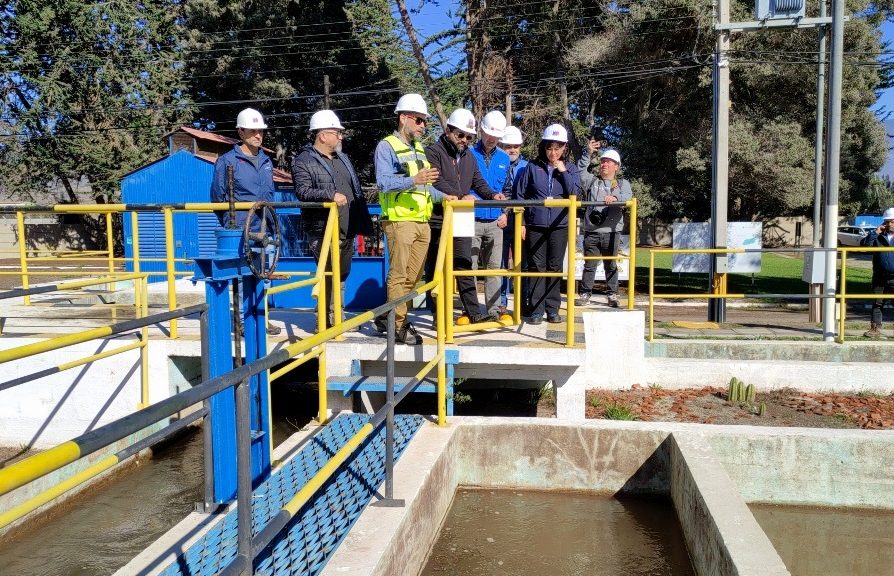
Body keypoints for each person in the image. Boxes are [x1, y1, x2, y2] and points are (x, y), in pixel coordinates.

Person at [373, 93, 445, 345]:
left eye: (424, 121)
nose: (422, 125)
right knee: (399, 275)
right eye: (419, 120)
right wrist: (413, 180)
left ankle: (387, 315)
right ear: (403, 118)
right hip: (399, 221)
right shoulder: (387, 146)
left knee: (413, 278)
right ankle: (399, 325)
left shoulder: (418, 149)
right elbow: (383, 183)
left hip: (421, 222)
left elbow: (426, 189)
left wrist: (449, 198)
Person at [292, 109, 373, 328]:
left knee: (341, 274)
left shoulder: (342, 158)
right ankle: (324, 321)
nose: (340, 136)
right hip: (323, 228)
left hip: (346, 227)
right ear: (322, 135)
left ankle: (337, 317)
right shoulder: (304, 160)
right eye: (336, 132)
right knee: (327, 273)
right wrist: (330, 195)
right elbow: (303, 192)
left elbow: (354, 187)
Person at [424, 108, 505, 324]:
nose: (465, 140)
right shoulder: (433, 151)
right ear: (448, 130)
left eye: (469, 137)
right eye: (460, 135)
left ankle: (474, 312)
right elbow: (435, 180)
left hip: (461, 216)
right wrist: (461, 195)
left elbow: (477, 181)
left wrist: (492, 195)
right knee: (437, 267)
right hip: (438, 218)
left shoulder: (468, 156)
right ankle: (438, 315)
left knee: (464, 263)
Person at [210, 107, 281, 335]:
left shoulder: (267, 161)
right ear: (240, 132)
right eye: (252, 131)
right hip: (240, 229)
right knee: (242, 275)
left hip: (264, 227)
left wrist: (270, 221)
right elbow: (217, 197)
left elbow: (269, 193)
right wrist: (230, 224)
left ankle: (261, 317)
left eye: (260, 131)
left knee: (264, 275)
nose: (258, 135)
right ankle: (240, 320)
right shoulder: (228, 161)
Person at [512, 123, 581, 325]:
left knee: (554, 266)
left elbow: (575, 193)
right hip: (535, 224)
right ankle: (535, 310)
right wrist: (522, 222)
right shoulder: (531, 167)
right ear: (543, 147)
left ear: (564, 148)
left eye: (557, 148)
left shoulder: (571, 168)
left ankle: (552, 309)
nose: (553, 152)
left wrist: (563, 171)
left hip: (560, 225)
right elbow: (520, 195)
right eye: (549, 148)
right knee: (536, 266)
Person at [575, 148, 633, 308]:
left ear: (617, 166)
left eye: (608, 161)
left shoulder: (622, 184)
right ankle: (585, 294)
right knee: (589, 265)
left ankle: (612, 295)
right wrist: (587, 153)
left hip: (612, 232)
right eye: (602, 161)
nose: (604, 164)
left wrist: (615, 198)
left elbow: (628, 198)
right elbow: (580, 171)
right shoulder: (592, 181)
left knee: (611, 264)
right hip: (591, 232)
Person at [469, 110, 511, 319]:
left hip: (496, 221)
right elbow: (461, 184)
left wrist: (506, 212)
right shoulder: (468, 155)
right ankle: (472, 310)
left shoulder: (504, 158)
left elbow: (508, 190)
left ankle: (493, 310)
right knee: (469, 267)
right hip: (471, 219)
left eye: (495, 136)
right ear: (481, 131)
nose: (491, 139)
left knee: (494, 268)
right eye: (487, 134)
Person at [498, 125, 528, 316]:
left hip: (520, 221)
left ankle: (522, 300)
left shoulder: (527, 167)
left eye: (516, 146)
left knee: (522, 263)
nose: (513, 149)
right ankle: (501, 303)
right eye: (508, 145)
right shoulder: (496, 163)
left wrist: (524, 222)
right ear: (501, 145)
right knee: (499, 263)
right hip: (499, 221)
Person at [860, 207, 894, 338]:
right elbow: (864, 246)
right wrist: (875, 233)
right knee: (878, 303)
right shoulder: (879, 237)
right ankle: (875, 328)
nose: (890, 224)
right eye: (887, 222)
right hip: (880, 276)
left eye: (892, 221)